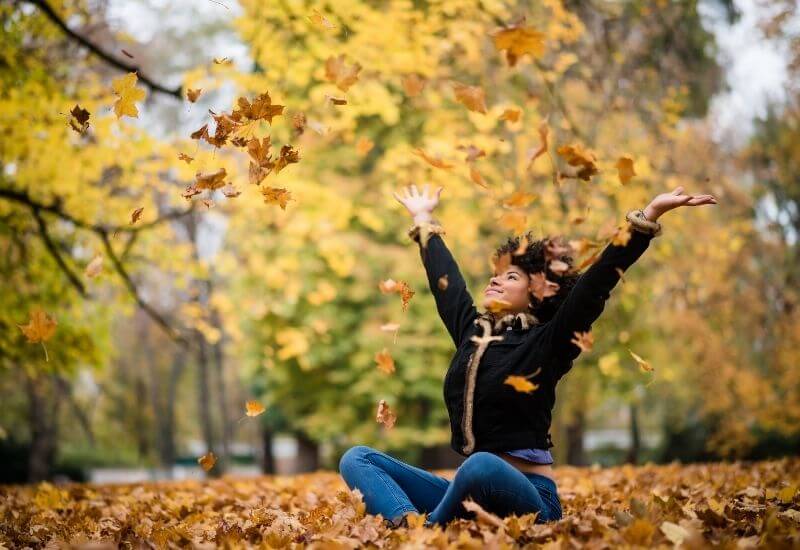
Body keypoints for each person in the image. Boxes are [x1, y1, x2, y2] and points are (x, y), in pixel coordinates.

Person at [339, 183, 717, 528]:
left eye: (512, 277)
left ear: (538, 292)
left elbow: (595, 284)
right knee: (357, 458)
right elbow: (447, 286)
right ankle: (411, 528)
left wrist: (646, 218)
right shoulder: (473, 335)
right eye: (497, 274)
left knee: (481, 465)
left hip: (529, 498)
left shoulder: (551, 341)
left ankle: (429, 530)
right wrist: (422, 219)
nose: (496, 280)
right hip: (468, 491)